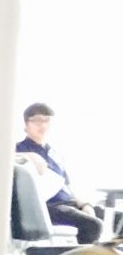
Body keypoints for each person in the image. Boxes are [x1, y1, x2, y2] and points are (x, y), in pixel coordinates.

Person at [17, 102, 106, 243]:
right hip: (47, 207)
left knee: (117, 218)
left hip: (68, 203)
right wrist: (28, 156)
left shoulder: (55, 153)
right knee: (93, 225)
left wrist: (85, 204)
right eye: (38, 121)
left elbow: (68, 186)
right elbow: (2, 158)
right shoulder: (19, 149)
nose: (43, 125)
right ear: (26, 124)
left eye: (47, 121)